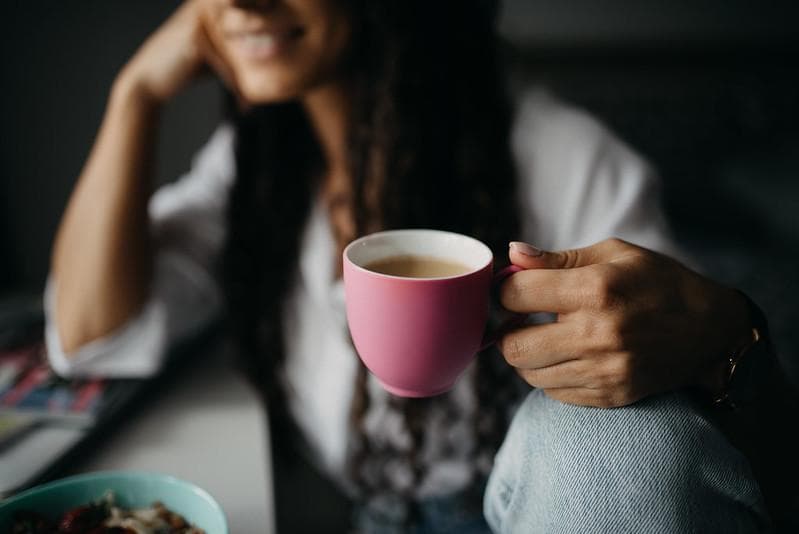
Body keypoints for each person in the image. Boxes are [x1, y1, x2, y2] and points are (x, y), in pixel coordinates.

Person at [46, 0, 791, 532]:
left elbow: (693, 446)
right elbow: (91, 335)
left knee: (627, 439)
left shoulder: (564, 158)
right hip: (365, 516)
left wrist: (720, 336)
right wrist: (134, 93)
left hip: (530, 507)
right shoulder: (257, 167)